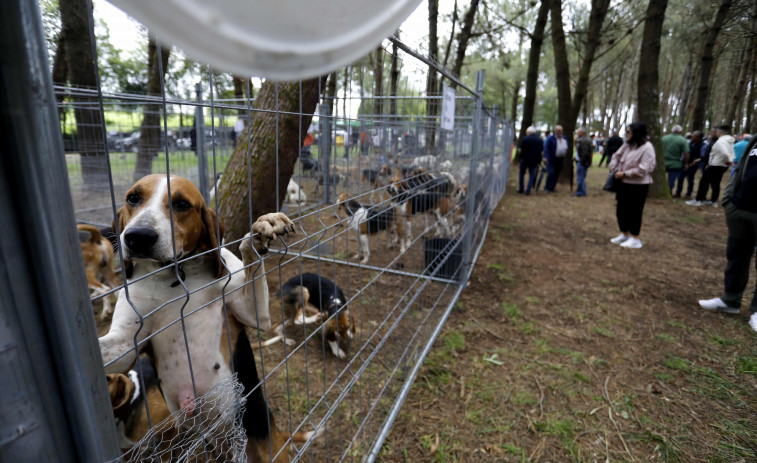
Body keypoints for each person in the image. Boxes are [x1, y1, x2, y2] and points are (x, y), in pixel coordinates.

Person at [698, 135, 757, 332]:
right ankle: (730, 300)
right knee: (736, 256)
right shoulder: (755, 139)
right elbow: (741, 167)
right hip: (739, 208)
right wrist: (729, 199)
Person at [608, 122, 656, 249]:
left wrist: (624, 173)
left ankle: (635, 238)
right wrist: (614, 167)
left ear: (637, 133)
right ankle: (625, 234)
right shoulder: (627, 145)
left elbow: (644, 169)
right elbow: (616, 156)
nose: (626, 134)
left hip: (638, 186)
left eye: (629, 132)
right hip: (623, 184)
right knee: (621, 210)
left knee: (634, 211)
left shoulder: (647, 147)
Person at [687, 125, 735, 206]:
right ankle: (713, 201)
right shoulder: (729, 141)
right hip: (721, 165)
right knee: (715, 183)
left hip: (715, 165)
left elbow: (725, 153)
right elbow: (731, 153)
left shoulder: (720, 141)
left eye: (713, 131)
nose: (711, 133)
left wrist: (728, 160)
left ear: (719, 132)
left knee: (704, 182)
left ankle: (699, 199)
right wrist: (728, 160)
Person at [662, 125, 689, 196]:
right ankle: (668, 192)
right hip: (675, 163)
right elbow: (686, 153)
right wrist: (686, 163)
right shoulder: (682, 140)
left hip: (663, 162)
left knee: (661, 177)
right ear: (680, 131)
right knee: (671, 179)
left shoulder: (664, 138)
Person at [677, 130, 705, 199]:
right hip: (685, 163)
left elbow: (702, 156)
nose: (691, 137)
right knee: (680, 178)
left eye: (693, 136)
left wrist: (695, 162)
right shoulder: (690, 143)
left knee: (690, 179)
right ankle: (678, 192)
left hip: (693, 165)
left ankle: (688, 194)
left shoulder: (702, 145)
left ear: (698, 137)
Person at [517, 126, 543, 195]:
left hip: (524, 159)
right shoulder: (539, 140)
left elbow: (520, 150)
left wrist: (521, 157)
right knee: (532, 175)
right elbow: (540, 152)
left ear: (529, 132)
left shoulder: (525, 139)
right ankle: (528, 190)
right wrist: (539, 162)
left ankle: (521, 188)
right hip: (534, 160)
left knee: (522, 173)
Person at [543, 125, 568, 193]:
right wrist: (545, 157)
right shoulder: (551, 138)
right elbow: (546, 148)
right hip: (552, 159)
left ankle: (552, 187)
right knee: (551, 173)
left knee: (557, 174)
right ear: (555, 131)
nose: (559, 132)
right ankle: (547, 187)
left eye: (560, 130)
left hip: (560, 159)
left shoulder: (564, 138)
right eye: (558, 130)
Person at [574, 127, 592, 197]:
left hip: (582, 162)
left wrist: (581, 161)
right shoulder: (582, 140)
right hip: (582, 161)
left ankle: (581, 192)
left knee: (580, 177)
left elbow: (585, 153)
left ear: (583, 133)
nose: (578, 133)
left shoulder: (584, 141)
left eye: (579, 132)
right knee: (581, 177)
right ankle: (581, 191)